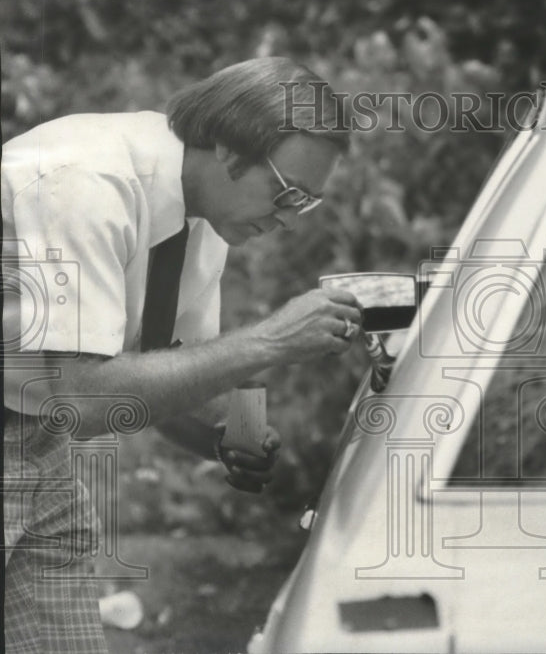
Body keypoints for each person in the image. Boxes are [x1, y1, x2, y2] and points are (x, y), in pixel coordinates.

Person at [1, 57, 361, 654]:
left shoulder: (201, 214)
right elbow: (88, 399)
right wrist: (270, 339)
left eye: (306, 205)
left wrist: (234, 433)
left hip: (37, 440)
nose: (289, 220)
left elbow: (169, 369)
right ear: (228, 150)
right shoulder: (85, 182)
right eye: (287, 193)